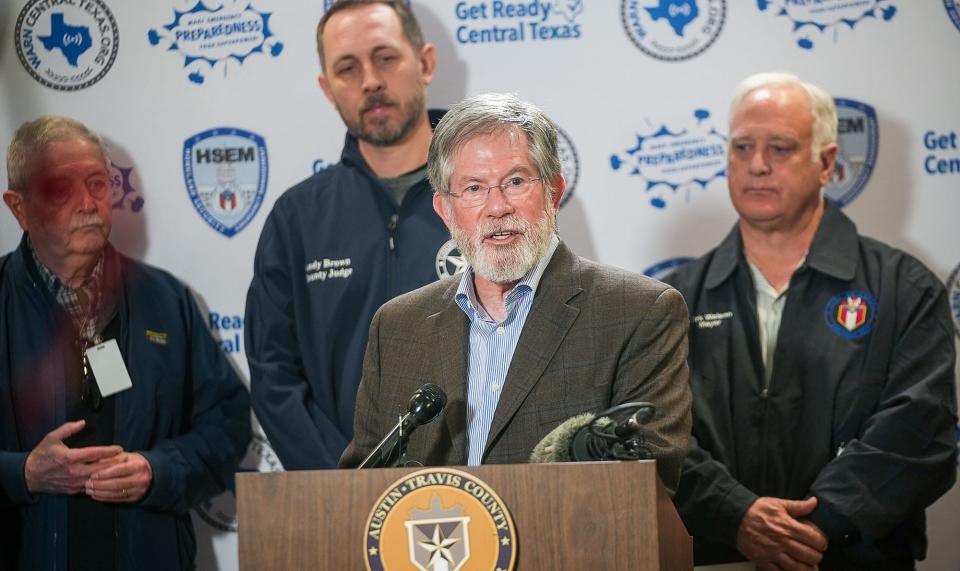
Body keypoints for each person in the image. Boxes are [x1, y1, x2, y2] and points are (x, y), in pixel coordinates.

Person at [666, 72, 958, 570]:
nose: (757, 165)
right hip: (719, 557)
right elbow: (657, 432)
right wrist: (737, 517)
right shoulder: (673, 299)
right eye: (741, 148)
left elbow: (920, 429)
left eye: (779, 148)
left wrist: (810, 530)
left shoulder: (903, 287)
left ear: (826, 164)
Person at [339, 93, 692, 493]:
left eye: (516, 182)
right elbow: (361, 488)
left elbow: (651, 476)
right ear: (445, 211)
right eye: (473, 188)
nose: (496, 207)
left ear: (554, 192)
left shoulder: (638, 312)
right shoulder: (397, 327)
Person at [0, 116, 251, 570]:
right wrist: (23, 474)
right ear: (19, 207)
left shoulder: (166, 299)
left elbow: (228, 425)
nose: (87, 203)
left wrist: (160, 470)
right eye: (61, 189)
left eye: (98, 183)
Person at [245, 0, 452, 470]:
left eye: (385, 57)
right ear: (327, 88)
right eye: (347, 68)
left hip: (484, 489)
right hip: (343, 501)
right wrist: (344, 479)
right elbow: (275, 377)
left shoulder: (487, 197)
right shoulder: (297, 218)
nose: (370, 81)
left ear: (425, 63)